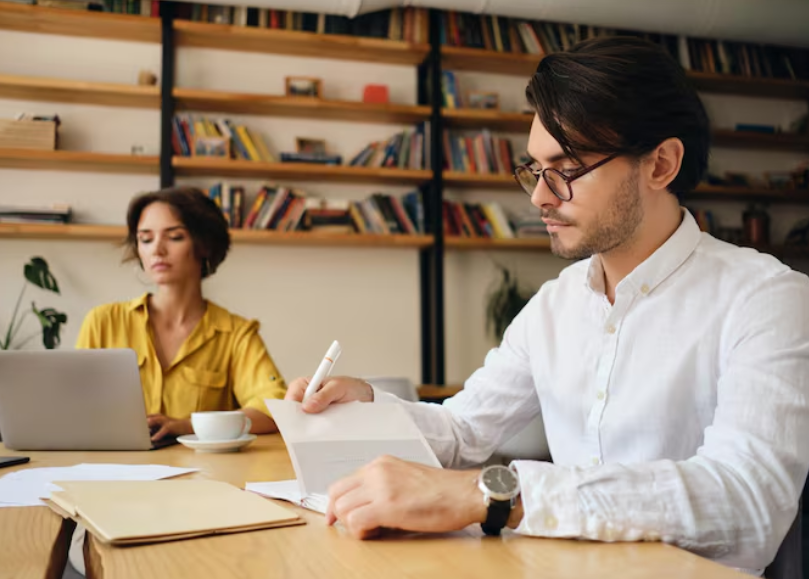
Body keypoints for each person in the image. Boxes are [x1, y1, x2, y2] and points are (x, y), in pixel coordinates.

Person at [286, 37, 809, 575]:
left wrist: (491, 495)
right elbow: (464, 430)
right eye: (535, 169)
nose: (539, 197)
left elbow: (747, 498)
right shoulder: (555, 305)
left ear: (661, 164)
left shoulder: (767, 298)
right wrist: (366, 404)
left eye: (568, 168)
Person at [76, 186, 287, 440]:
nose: (157, 250)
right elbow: (73, 407)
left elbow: (274, 408)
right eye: (146, 239)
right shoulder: (102, 322)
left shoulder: (236, 334)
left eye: (175, 237)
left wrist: (189, 426)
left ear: (204, 245)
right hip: (113, 462)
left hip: (200, 464)